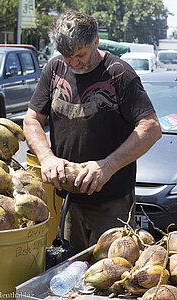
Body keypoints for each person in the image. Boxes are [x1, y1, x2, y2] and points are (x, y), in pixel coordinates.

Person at [23, 11, 162, 254]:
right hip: (68, 199)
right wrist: (46, 158)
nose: (73, 63)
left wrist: (106, 166)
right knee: (72, 270)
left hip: (112, 201)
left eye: (80, 55)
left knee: (110, 272)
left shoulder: (120, 73)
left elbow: (151, 128)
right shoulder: (55, 68)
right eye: (67, 56)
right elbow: (32, 118)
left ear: (95, 42)